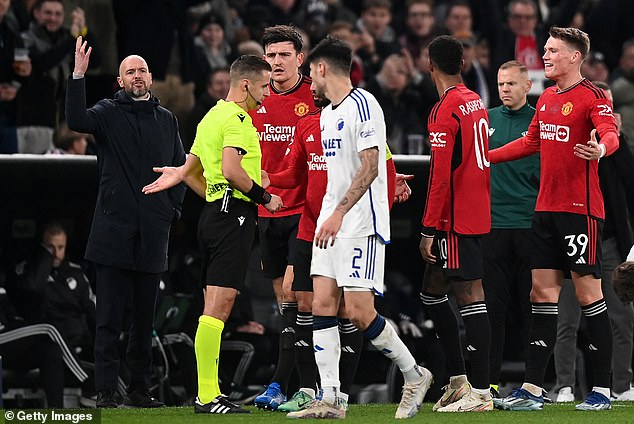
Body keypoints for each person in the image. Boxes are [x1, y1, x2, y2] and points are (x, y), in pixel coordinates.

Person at [287, 36, 432, 420]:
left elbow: (369, 166)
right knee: (321, 304)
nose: (309, 83)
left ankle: (414, 374)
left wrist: (338, 213)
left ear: (321, 68)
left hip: (359, 223)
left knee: (358, 312)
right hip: (330, 223)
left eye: (309, 73)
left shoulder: (363, 104)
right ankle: (332, 398)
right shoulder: (327, 113)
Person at [141, 54, 283, 414]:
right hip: (232, 219)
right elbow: (234, 170)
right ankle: (207, 396)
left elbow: (190, 173)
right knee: (219, 310)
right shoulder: (238, 120)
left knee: (213, 309)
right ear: (246, 84)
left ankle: (208, 392)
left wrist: (220, 195)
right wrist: (264, 195)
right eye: (264, 86)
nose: (268, 94)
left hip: (213, 215)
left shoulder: (211, 117)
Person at [490, 26, 619, 412]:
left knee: (587, 297)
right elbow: (531, 142)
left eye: (552, 51)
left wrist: (601, 149)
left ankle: (603, 390)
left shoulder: (592, 95)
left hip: (579, 213)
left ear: (575, 56)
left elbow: (609, 132)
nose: (544, 56)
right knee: (540, 296)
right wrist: (486, 157)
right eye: (544, 50)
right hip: (544, 212)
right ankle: (532, 389)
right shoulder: (545, 97)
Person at [262, 90, 413, 413]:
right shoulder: (306, 125)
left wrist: (377, 216)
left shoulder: (360, 116)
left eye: (315, 79)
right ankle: (322, 395)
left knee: (353, 312)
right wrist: (269, 179)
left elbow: (380, 167)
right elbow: (295, 174)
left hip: (350, 229)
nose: (311, 86)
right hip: (311, 229)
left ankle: (391, 378)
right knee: (314, 304)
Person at [66, 36, 186, 408]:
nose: (137, 75)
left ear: (151, 78)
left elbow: (182, 168)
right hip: (112, 233)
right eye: (130, 71)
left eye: (142, 70)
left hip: (153, 234)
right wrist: (78, 76)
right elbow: (75, 120)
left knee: (143, 322)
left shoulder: (167, 120)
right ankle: (105, 391)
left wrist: (171, 211)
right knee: (109, 320)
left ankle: (139, 390)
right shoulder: (106, 112)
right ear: (120, 81)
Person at [418, 35, 493, 413]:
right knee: (431, 292)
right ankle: (459, 379)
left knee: (470, 297)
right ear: (461, 64)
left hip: (456, 218)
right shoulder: (475, 101)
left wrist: (429, 228)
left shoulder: (444, 109)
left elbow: (441, 175)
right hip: (477, 208)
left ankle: (481, 392)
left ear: (430, 65)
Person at [249, 25, 318, 411]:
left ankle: (281, 384)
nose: (275, 62)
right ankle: (299, 388)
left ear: (299, 59)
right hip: (265, 211)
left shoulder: (315, 98)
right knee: (286, 305)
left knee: (297, 296)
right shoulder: (253, 99)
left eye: (282, 55)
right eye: (270, 56)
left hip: (303, 212)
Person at [553, 81, 634, 402]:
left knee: (623, 316)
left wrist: (618, 139)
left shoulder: (616, 150)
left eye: (610, 108)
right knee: (567, 318)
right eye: (601, 107)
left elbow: (631, 183)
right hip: (576, 240)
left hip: (611, 242)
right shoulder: (569, 142)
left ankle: (622, 386)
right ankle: (564, 386)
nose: (607, 114)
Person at [483, 60, 537, 396]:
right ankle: (487, 384)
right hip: (493, 226)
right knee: (493, 310)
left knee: (533, 308)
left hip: (531, 226)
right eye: (501, 84)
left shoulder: (540, 122)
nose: (505, 89)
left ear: (527, 86)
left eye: (511, 84)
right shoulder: (486, 120)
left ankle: (533, 385)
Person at [11, 222, 95, 355]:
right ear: (42, 247)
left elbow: (91, 308)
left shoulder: (75, 271)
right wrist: (45, 258)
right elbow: (32, 289)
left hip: (82, 340)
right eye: (50, 247)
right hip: (51, 343)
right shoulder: (30, 272)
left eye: (60, 247)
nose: (56, 253)